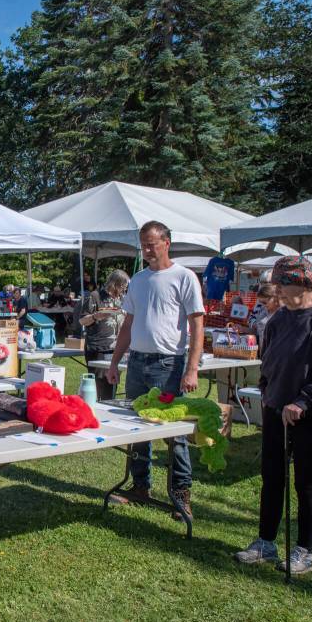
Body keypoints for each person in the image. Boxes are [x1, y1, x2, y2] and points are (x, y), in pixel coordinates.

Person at [234, 257, 312, 575]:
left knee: (306, 483)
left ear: (302, 283)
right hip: (276, 411)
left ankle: (304, 551)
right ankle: (265, 543)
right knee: (271, 479)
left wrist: (303, 401)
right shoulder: (277, 319)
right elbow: (268, 361)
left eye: (281, 284)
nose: (276, 291)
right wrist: (268, 392)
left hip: (311, 415)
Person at [105, 221, 204, 519]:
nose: (147, 250)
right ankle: (140, 486)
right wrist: (114, 362)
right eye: (143, 244)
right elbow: (128, 326)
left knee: (173, 433)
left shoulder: (184, 277)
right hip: (137, 362)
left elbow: (197, 324)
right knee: (137, 427)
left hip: (168, 365)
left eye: (152, 244)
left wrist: (192, 369)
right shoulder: (138, 280)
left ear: (167, 242)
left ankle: (181, 494)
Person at [75, 270, 129, 400]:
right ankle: (96, 410)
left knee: (111, 384)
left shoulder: (121, 299)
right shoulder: (95, 296)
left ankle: (108, 408)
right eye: (122, 287)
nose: (123, 290)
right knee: (99, 385)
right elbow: (82, 320)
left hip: (117, 348)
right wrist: (95, 316)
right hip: (98, 348)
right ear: (114, 284)